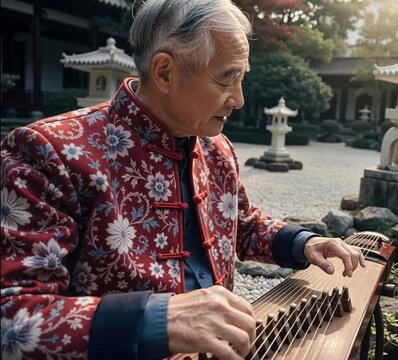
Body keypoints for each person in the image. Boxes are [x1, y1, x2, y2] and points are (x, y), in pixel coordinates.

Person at [0, 1, 365, 359]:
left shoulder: (216, 147)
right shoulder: (49, 152)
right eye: (228, 78)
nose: (238, 99)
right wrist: (156, 320)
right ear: (164, 73)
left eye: (241, 78)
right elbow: (12, 318)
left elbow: (243, 224)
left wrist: (302, 242)